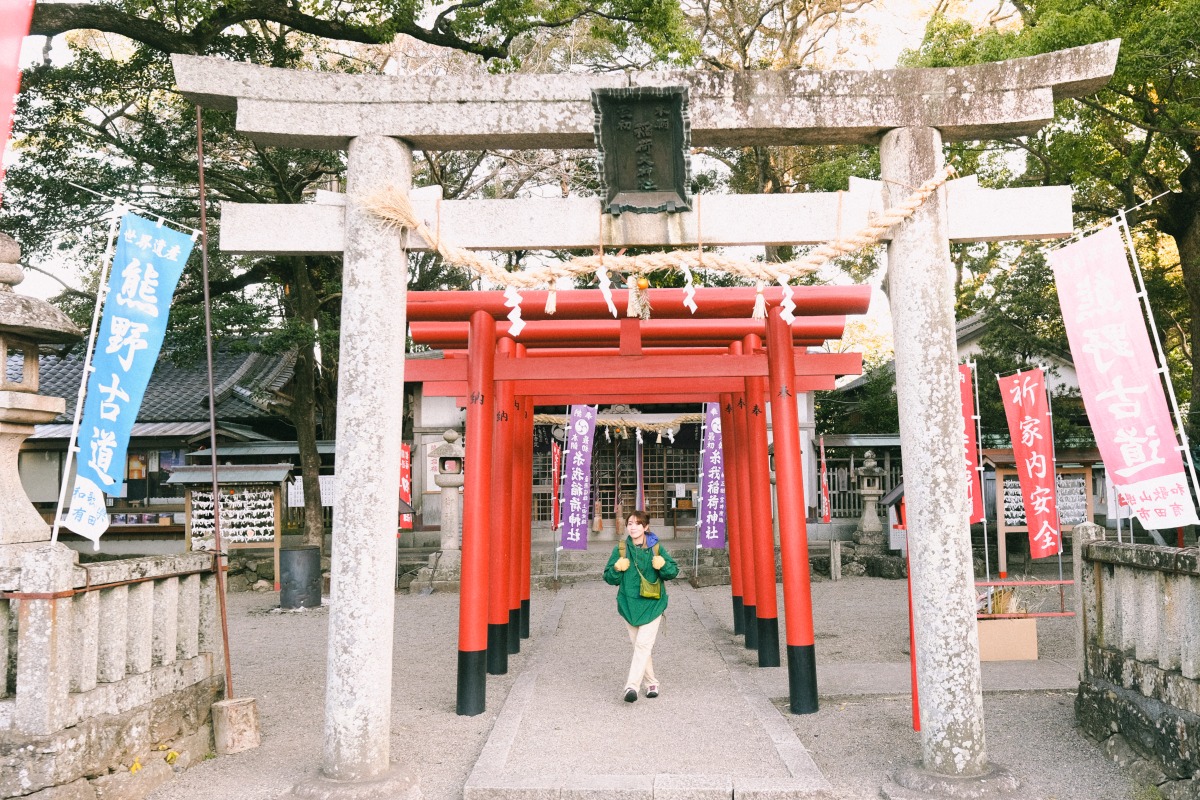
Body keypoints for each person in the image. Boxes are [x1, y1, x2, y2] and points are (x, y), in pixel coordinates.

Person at [603, 509, 680, 703]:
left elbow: (672, 572)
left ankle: (632, 687)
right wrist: (616, 568)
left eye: (638, 524)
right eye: (630, 523)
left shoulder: (656, 547)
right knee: (641, 647)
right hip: (629, 604)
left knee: (642, 645)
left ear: (646, 527)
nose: (633, 527)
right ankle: (652, 683)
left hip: (653, 604)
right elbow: (609, 578)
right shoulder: (621, 549)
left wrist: (663, 565)